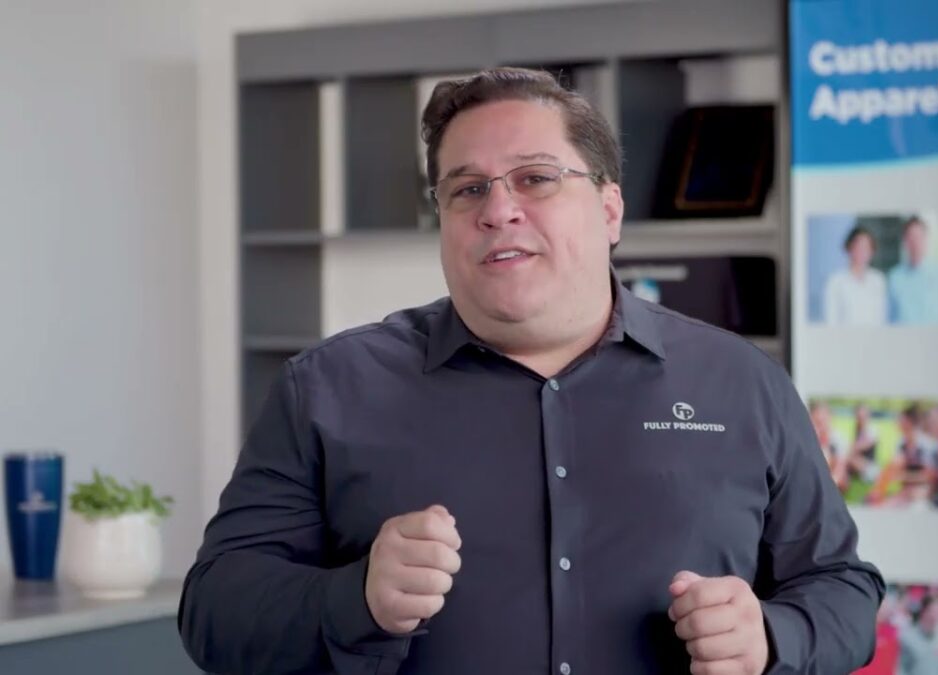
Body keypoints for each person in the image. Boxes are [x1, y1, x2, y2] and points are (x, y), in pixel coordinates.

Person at [179, 67, 883, 674]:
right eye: (467, 189)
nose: (498, 210)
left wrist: (769, 635)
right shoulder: (328, 389)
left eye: (536, 179)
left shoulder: (741, 381)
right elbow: (214, 610)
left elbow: (843, 588)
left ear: (610, 209)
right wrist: (354, 598)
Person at [887, 217, 938, 324]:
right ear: (904, 241)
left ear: (926, 239)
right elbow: (889, 318)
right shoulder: (895, 277)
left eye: (919, 237)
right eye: (911, 238)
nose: (915, 243)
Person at [867, 404, 934, 507]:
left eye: (900, 419)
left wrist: (903, 476)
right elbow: (893, 467)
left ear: (909, 422)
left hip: (922, 489)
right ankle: (876, 494)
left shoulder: (924, 445)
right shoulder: (901, 443)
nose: (897, 422)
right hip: (907, 489)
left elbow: (929, 476)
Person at [823, 225, 887, 325]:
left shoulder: (878, 280)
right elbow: (831, 321)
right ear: (849, 248)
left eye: (866, 247)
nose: (862, 251)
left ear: (871, 251)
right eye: (858, 247)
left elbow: (881, 319)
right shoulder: (836, 281)